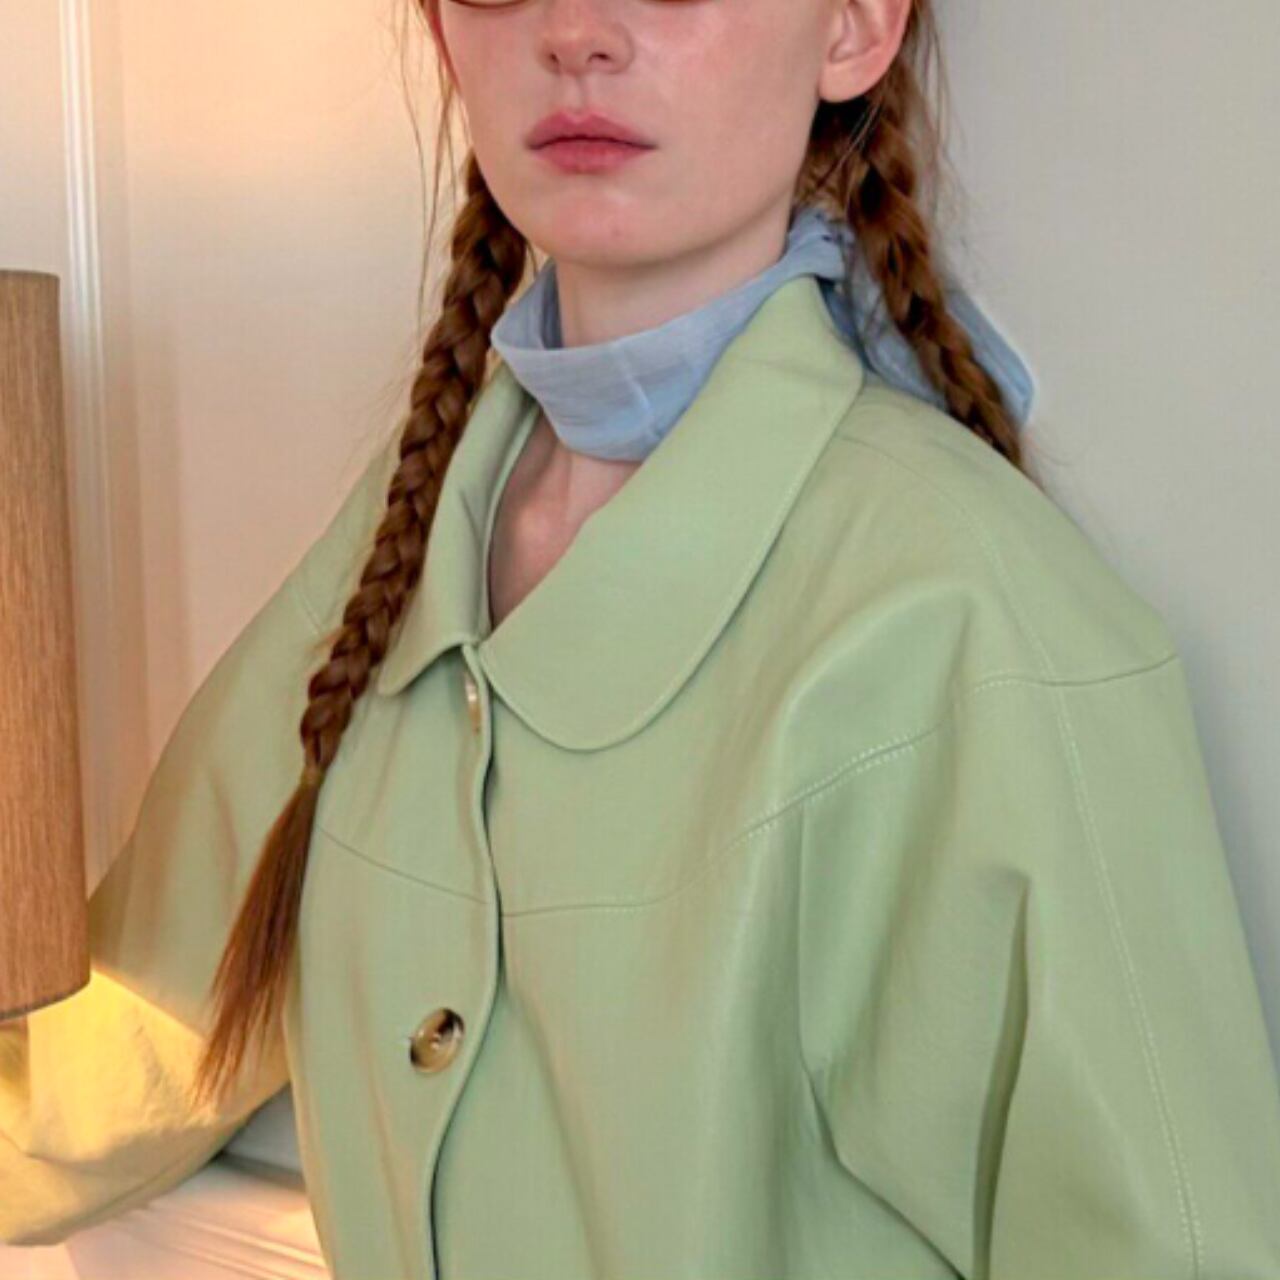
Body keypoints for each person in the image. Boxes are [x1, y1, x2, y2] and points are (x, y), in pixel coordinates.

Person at [4, 0, 1280, 1276]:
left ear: (853, 27)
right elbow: (132, 1033)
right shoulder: (399, 542)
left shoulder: (977, 619)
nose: (575, 30)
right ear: (444, 37)